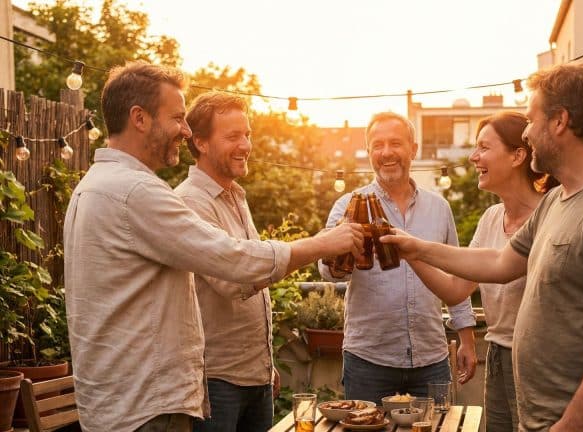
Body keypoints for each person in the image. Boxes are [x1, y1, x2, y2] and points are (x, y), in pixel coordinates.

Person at [63, 62, 363, 432]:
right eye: (177, 118)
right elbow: (235, 263)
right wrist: (321, 244)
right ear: (139, 118)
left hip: (122, 404)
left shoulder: (94, 185)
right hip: (145, 409)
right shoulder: (136, 193)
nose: (185, 131)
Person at [382, 63, 583, 431]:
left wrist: (572, 422)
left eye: (531, 118)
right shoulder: (557, 200)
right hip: (542, 419)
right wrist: (414, 248)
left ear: (560, 121)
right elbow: (498, 261)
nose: (527, 132)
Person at [406, 111, 557, 431]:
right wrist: (408, 253)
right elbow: (455, 290)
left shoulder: (550, 215)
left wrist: (417, 247)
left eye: (484, 148)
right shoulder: (491, 217)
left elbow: (500, 266)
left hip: (537, 360)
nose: (474, 157)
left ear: (518, 155)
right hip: (498, 355)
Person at [318, 111, 478, 404]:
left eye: (395, 143)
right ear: (368, 153)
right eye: (377, 145)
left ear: (413, 149)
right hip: (369, 360)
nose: (386, 152)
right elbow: (328, 274)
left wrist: (467, 339)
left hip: (431, 359)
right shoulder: (348, 205)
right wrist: (340, 249)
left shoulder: (439, 208)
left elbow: (457, 275)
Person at [173, 91, 280, 432]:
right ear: (201, 142)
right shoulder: (191, 202)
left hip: (255, 376)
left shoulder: (236, 195)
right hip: (217, 381)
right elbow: (233, 282)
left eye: (247, 134)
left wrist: (266, 364)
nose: (246, 145)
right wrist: (303, 253)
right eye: (233, 136)